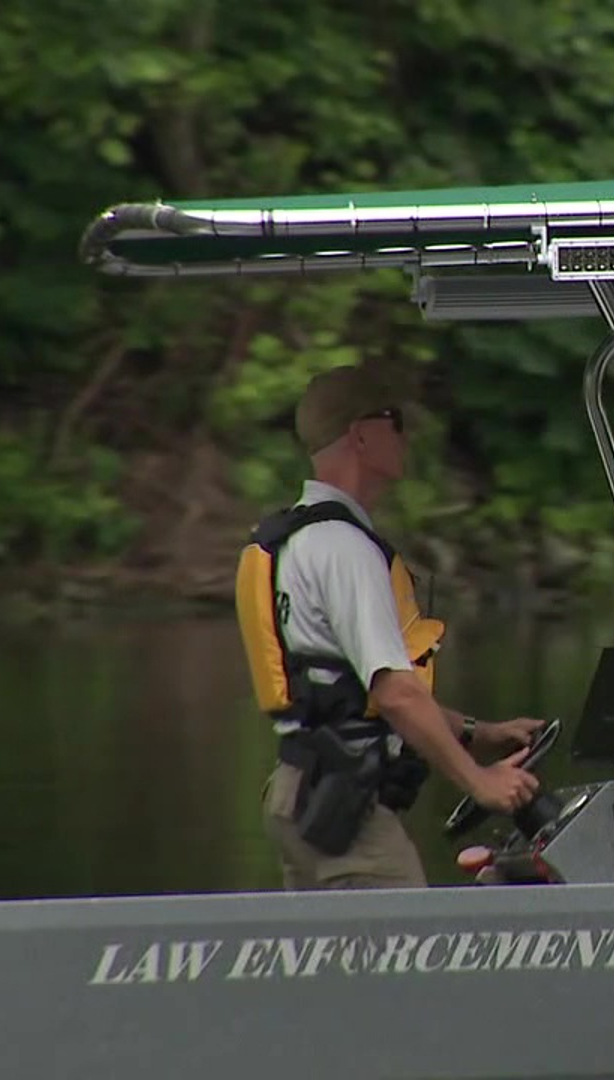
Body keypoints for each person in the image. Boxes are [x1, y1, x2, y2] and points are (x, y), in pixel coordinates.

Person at [235, 364, 544, 890]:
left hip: (300, 793)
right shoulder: (346, 548)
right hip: (346, 809)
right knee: (409, 961)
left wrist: (480, 734)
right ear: (361, 434)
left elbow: (351, 694)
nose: (407, 436)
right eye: (396, 421)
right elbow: (397, 693)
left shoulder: (299, 538)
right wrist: (482, 783)